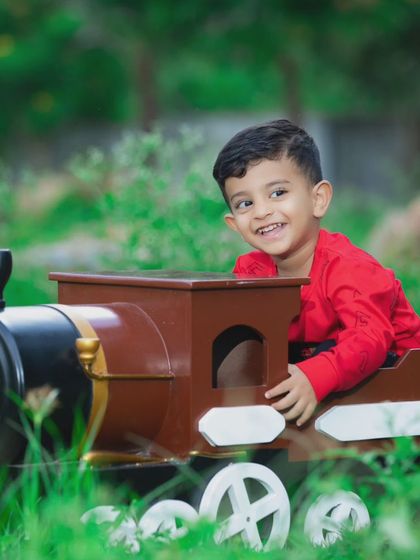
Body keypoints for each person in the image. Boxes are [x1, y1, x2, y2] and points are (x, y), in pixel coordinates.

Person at [213, 119, 420, 426]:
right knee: (240, 340)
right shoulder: (251, 271)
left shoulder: (351, 269)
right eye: (245, 203)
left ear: (317, 199)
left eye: (278, 193)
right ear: (234, 223)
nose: (261, 211)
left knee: (330, 352)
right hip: (311, 363)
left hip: (395, 374)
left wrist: (315, 375)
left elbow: (369, 341)